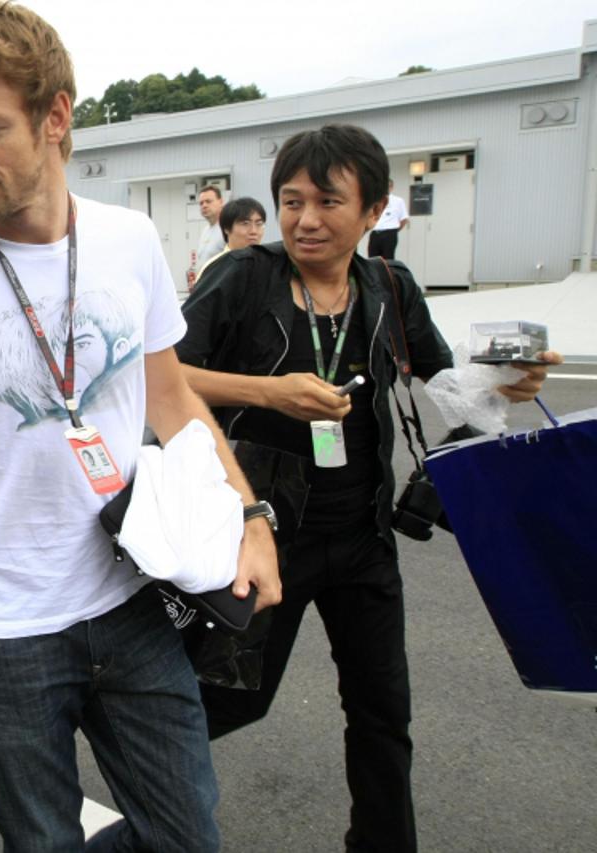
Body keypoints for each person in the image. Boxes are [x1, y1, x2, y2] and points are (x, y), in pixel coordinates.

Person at [0, 3, 279, 850]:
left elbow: (174, 400)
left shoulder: (130, 239)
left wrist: (249, 518)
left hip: (135, 593)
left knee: (189, 834)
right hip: (6, 630)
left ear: (57, 117)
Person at [177, 124, 562, 852]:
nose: (305, 219)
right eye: (292, 201)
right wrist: (269, 392)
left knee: (383, 711)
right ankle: (155, 809)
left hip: (363, 537)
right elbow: (162, 376)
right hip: (261, 536)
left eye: (328, 201)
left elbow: (445, 385)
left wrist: (510, 382)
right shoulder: (244, 277)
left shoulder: (388, 286)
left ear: (374, 208)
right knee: (228, 701)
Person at [198, 196, 267, 277]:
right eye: (245, 224)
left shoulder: (269, 265)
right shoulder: (213, 269)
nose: (254, 231)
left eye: (259, 224)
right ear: (226, 228)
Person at [187, 185, 226, 290]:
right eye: (201, 203)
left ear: (221, 202)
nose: (204, 205)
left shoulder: (227, 229)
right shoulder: (205, 231)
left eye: (208, 201)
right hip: (206, 289)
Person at [368, 178, 409, 259]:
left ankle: (387, 272)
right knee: (372, 259)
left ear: (392, 187)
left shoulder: (398, 201)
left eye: (388, 186)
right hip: (375, 233)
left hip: (389, 233)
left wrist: (394, 230)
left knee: (388, 259)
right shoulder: (375, 200)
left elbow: (404, 219)